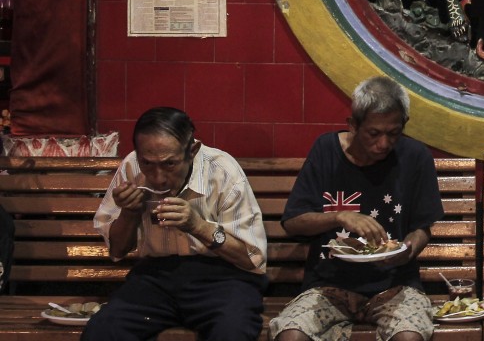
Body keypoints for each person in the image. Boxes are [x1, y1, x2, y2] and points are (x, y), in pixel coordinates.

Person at [270, 76, 444, 341]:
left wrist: (406, 251)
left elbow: (422, 228)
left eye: (393, 133)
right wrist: (338, 217)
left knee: (409, 337)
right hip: (328, 286)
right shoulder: (326, 150)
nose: (384, 143)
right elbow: (293, 222)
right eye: (374, 133)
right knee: (291, 335)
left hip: (395, 286)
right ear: (353, 125)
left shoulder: (416, 157)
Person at [84, 107, 269, 341]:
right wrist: (129, 213)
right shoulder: (131, 167)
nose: (158, 177)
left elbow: (251, 258)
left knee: (231, 331)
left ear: (192, 150)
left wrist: (198, 226)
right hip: (155, 277)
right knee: (103, 331)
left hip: (224, 278)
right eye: (147, 164)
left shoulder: (222, 171)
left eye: (170, 164)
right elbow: (118, 250)